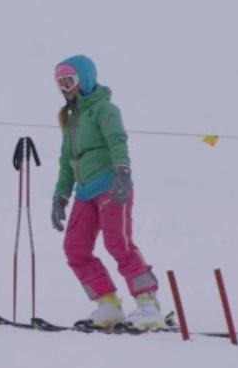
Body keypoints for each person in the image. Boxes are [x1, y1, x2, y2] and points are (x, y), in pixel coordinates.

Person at [50, 54, 163, 329]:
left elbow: (117, 140)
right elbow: (66, 161)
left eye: (70, 81)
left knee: (118, 242)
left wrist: (122, 173)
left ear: (85, 80)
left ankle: (148, 304)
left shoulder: (105, 109)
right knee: (75, 247)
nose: (66, 88)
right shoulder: (71, 119)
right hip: (85, 192)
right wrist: (60, 196)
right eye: (61, 83)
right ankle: (108, 304)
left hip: (111, 185)